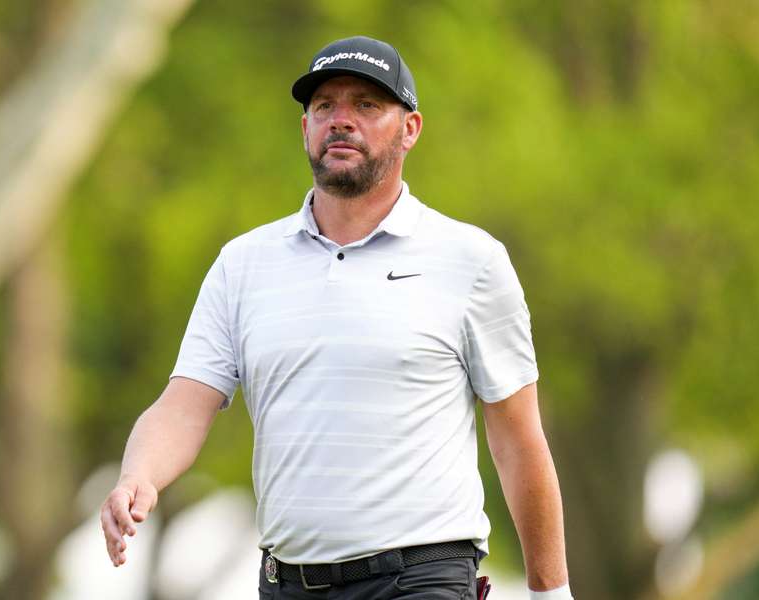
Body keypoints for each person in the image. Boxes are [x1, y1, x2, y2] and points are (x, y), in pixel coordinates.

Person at [100, 35, 573, 599]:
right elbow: (183, 405)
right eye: (324, 106)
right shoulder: (243, 264)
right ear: (305, 129)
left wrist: (551, 591)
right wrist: (138, 475)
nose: (341, 120)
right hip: (287, 583)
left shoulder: (470, 260)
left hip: (420, 578)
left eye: (366, 106)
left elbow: (518, 441)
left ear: (410, 129)